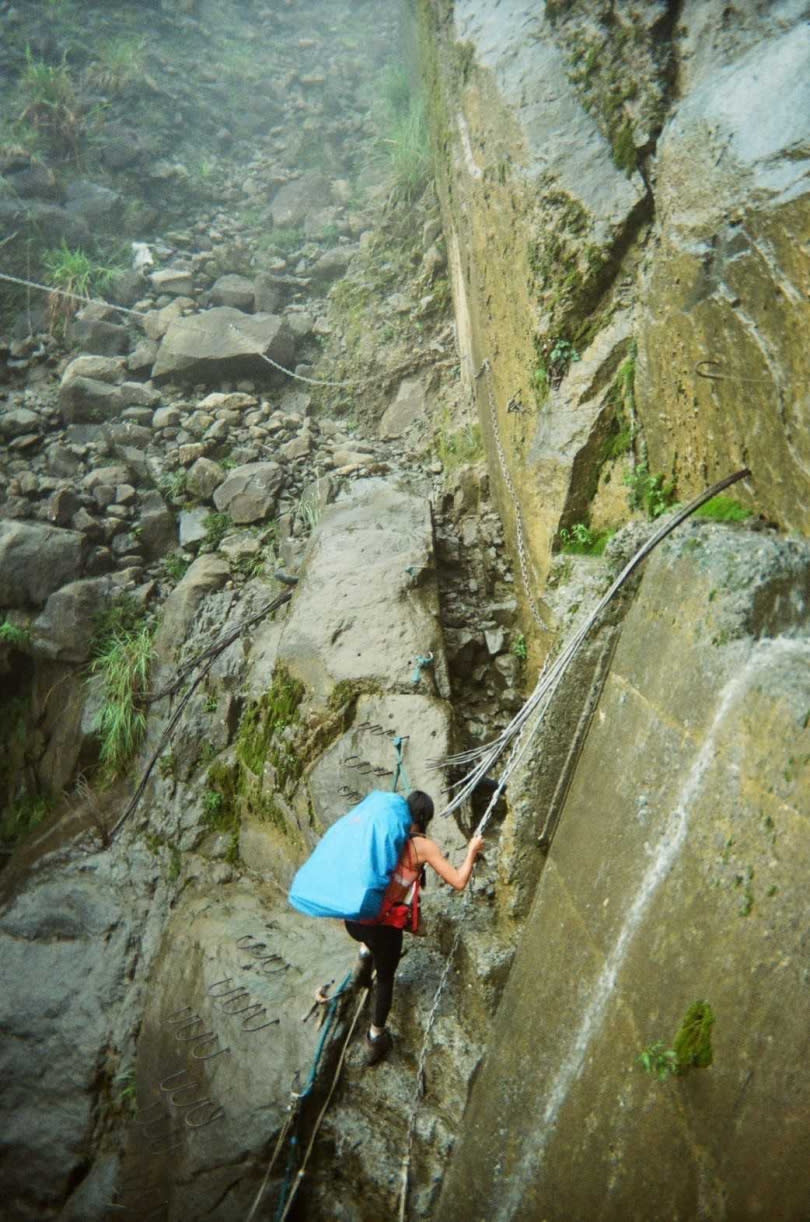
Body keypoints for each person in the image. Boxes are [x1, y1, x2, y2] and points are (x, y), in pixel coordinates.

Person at [344, 790, 485, 1065]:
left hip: (353, 918)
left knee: (371, 930)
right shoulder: (423, 847)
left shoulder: (385, 830)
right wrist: (471, 852)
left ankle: (363, 959)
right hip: (381, 929)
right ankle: (375, 1038)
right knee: (385, 979)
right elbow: (458, 882)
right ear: (425, 818)